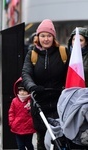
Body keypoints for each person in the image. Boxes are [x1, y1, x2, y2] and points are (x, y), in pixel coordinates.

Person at [22, 19, 70, 150]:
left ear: (53, 37)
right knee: (42, 139)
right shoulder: (32, 54)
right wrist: (32, 87)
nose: (46, 39)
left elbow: (70, 73)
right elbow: (26, 73)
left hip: (59, 103)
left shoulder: (63, 52)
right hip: (39, 103)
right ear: (38, 37)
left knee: (60, 138)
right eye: (43, 36)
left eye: (49, 36)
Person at [8, 77, 36, 150]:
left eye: (24, 90)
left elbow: (35, 113)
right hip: (17, 127)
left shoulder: (31, 101)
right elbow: (11, 112)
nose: (22, 92)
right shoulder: (15, 101)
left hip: (28, 127)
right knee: (20, 146)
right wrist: (12, 123)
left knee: (28, 144)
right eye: (20, 90)